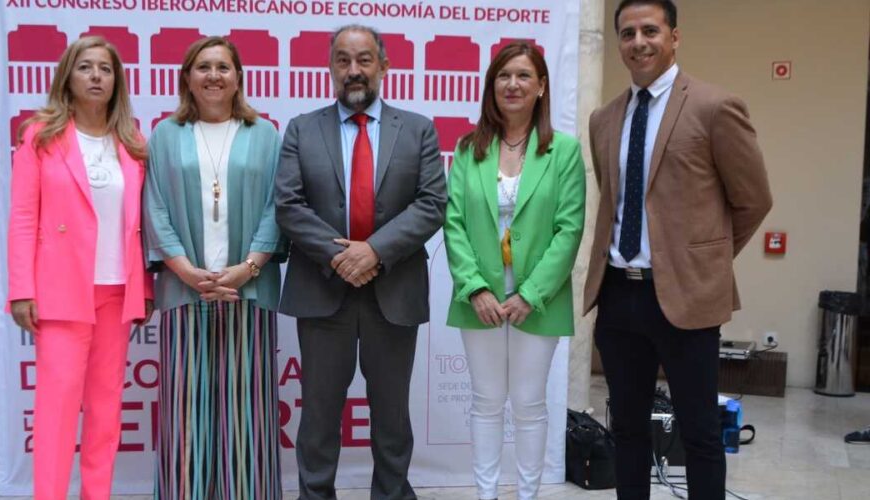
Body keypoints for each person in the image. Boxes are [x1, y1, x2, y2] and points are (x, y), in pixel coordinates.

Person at [584, 1, 772, 498]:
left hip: (687, 298)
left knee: (699, 433)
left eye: (650, 30)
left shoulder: (714, 106)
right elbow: (615, 201)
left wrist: (701, 261)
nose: (639, 42)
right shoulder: (604, 119)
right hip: (619, 296)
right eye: (627, 33)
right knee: (626, 429)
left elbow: (753, 200)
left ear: (674, 37)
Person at [274, 24, 447, 500]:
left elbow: (432, 203)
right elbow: (289, 205)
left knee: (392, 417)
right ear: (331, 68)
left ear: (384, 66)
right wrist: (342, 256)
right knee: (319, 416)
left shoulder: (417, 129)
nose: (354, 71)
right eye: (344, 60)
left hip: (393, 293)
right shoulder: (301, 129)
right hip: (323, 292)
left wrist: (374, 251)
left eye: (364, 59)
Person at [7, 35, 154, 500]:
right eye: (86, 67)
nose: (96, 76)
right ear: (68, 77)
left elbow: (142, 223)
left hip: (117, 291)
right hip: (61, 294)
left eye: (106, 69)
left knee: (106, 411)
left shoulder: (132, 141)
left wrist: (144, 288)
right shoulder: (42, 136)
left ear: (117, 81)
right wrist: (20, 289)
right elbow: (23, 217)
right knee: (56, 413)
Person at [142, 36, 285, 500]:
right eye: (202, 66)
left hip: (249, 289)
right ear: (187, 77)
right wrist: (185, 271)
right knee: (185, 413)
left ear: (239, 77)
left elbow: (276, 207)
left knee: (248, 413)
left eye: (223, 66)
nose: (213, 75)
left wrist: (248, 267)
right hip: (185, 291)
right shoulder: (166, 134)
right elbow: (156, 208)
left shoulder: (264, 134)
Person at [443, 40, 586, 500]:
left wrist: (531, 293)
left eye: (524, 75)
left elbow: (569, 228)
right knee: (485, 403)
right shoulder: (469, 149)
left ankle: (527, 494)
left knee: (528, 405)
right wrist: (475, 287)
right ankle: (486, 494)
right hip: (480, 299)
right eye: (503, 76)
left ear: (541, 86)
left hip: (537, 300)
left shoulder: (562, 152)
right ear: (491, 87)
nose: (512, 84)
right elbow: (454, 223)